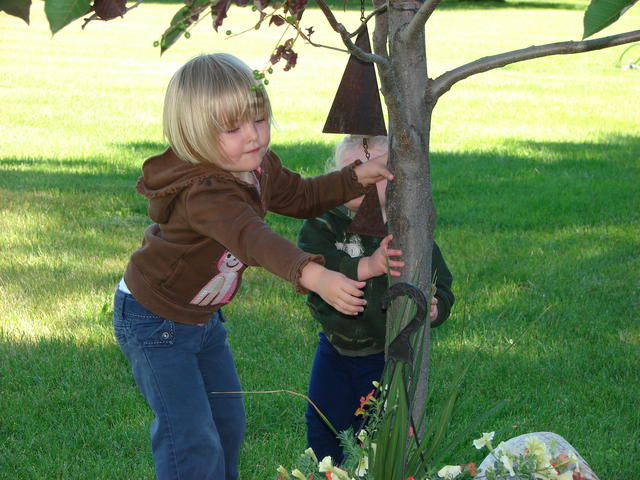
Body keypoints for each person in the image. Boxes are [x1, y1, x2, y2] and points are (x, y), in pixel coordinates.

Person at [112, 53, 393, 480]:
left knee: (226, 423)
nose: (253, 137)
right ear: (195, 135)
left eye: (259, 120)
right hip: (156, 322)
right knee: (189, 434)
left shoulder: (256, 168)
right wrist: (317, 275)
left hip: (203, 320)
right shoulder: (206, 194)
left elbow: (301, 196)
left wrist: (356, 177)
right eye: (233, 129)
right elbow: (255, 240)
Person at [297, 135, 455, 464]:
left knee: (377, 429)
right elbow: (312, 262)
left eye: (376, 174)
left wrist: (435, 305)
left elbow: (439, 280)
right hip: (335, 348)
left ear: (395, 178)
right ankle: (326, 471)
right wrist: (367, 266)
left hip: (386, 354)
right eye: (353, 173)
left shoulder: (408, 232)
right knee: (324, 421)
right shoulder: (324, 223)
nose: (364, 183)